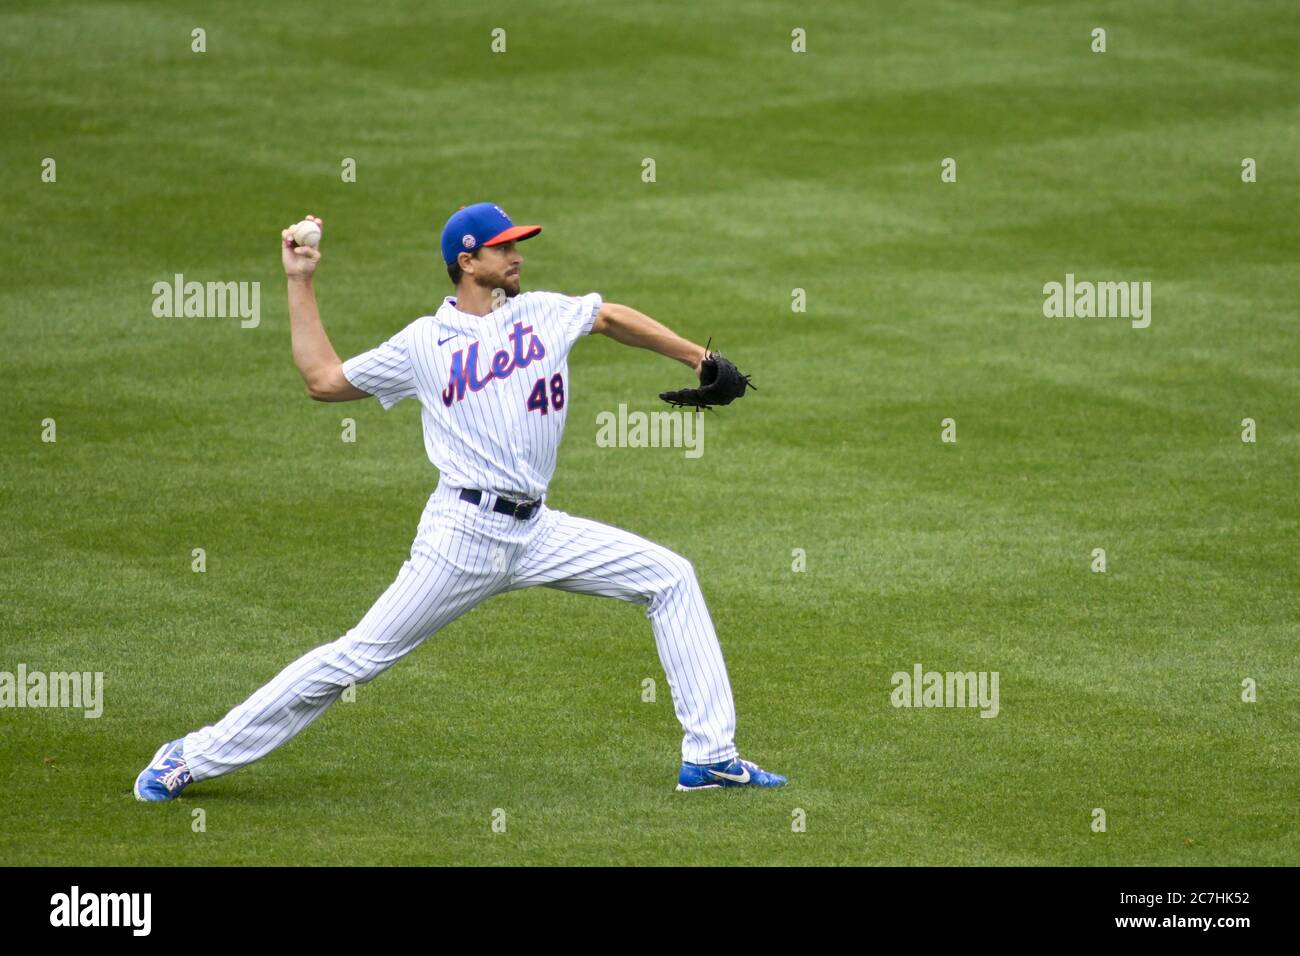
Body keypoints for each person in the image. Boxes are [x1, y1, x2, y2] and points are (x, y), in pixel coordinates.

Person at [133, 203, 786, 800]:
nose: (518, 256)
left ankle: (710, 756)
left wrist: (699, 359)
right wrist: (299, 279)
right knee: (357, 658)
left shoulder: (542, 313)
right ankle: (190, 754)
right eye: (503, 248)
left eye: (518, 245)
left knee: (670, 577)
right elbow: (323, 381)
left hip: (538, 531)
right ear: (467, 262)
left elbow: (608, 316)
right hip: (461, 537)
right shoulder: (424, 344)